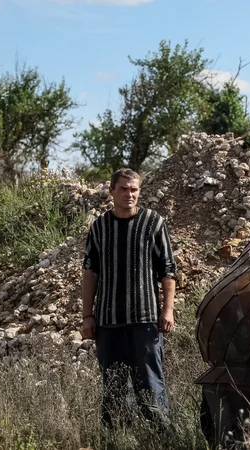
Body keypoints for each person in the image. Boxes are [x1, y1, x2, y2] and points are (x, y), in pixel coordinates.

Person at [80, 168, 177, 431]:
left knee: (150, 388)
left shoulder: (153, 223)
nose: (129, 194)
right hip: (108, 323)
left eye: (134, 189)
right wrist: (87, 316)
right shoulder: (100, 227)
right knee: (113, 391)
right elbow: (90, 271)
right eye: (123, 189)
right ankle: (117, 440)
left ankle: (163, 441)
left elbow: (168, 270)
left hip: (144, 322)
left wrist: (167, 310)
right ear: (111, 191)